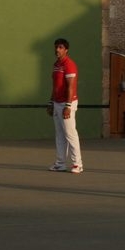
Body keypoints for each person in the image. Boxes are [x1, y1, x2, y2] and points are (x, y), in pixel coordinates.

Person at [47, 38, 83, 174]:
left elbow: (71, 87)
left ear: (66, 50)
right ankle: (60, 163)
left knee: (70, 134)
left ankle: (77, 164)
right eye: (56, 47)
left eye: (60, 47)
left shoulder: (69, 64)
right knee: (60, 135)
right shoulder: (56, 64)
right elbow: (55, 86)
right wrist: (51, 102)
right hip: (56, 103)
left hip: (67, 103)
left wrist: (68, 106)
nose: (57, 50)